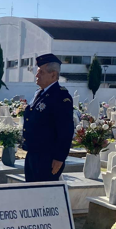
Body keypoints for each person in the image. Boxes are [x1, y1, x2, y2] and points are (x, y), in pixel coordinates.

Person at [23, 53, 74, 182]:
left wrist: (59, 158)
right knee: (30, 193)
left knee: (43, 196)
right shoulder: (40, 94)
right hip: (33, 153)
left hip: (48, 157)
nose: (37, 75)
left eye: (41, 72)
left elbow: (65, 130)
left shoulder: (60, 97)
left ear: (53, 75)